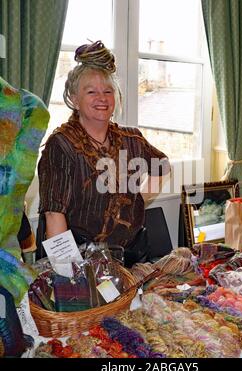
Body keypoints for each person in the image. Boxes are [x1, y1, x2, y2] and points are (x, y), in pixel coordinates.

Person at [38, 40, 170, 266]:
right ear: (74, 99)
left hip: (131, 259)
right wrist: (70, 277)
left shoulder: (132, 139)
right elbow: (53, 214)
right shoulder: (61, 145)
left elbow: (162, 165)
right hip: (80, 261)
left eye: (108, 91)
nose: (102, 98)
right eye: (91, 91)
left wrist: (138, 200)